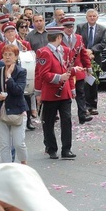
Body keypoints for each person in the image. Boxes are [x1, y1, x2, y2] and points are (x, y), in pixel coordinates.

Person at [35, 26, 76, 160]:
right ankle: (51, 148)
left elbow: (67, 70)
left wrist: (72, 88)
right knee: (49, 122)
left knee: (67, 120)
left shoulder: (65, 50)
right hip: (51, 93)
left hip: (64, 93)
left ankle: (66, 149)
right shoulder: (44, 52)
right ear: (59, 37)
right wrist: (59, 77)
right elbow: (43, 74)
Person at [0, 44, 28, 165]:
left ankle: (23, 162)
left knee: (18, 143)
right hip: (1, 110)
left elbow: (18, 90)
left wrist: (9, 76)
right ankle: (6, 167)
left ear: (16, 57)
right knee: (4, 143)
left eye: (10, 55)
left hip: (17, 110)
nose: (7, 57)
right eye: (5, 54)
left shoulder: (21, 71)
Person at [61, 16, 92, 125]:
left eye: (71, 27)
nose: (70, 29)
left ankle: (82, 115)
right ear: (63, 28)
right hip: (65, 70)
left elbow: (83, 53)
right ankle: (66, 115)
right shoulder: (59, 38)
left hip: (77, 69)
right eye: (67, 27)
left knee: (81, 93)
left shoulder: (78, 37)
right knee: (67, 94)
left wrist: (88, 66)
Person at [76, 9, 106, 116]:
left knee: (93, 83)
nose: (92, 18)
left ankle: (93, 106)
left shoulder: (102, 29)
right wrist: (85, 52)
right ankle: (85, 106)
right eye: (90, 16)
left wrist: (92, 50)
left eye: (94, 16)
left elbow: (102, 44)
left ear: (97, 17)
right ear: (86, 17)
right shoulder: (80, 27)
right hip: (83, 59)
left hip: (95, 59)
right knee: (84, 84)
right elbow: (78, 41)